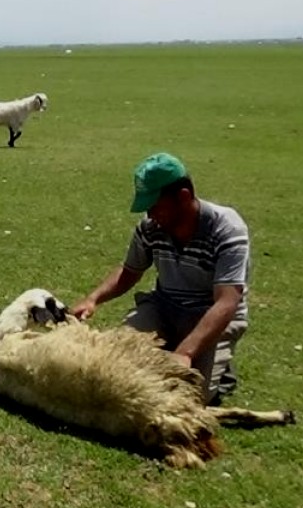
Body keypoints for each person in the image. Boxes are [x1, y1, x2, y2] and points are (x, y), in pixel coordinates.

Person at [70, 153, 251, 406]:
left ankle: (212, 361)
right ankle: (176, 347)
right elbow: (129, 271)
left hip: (208, 315)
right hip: (164, 308)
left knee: (189, 396)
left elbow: (226, 302)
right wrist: (93, 299)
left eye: (155, 205)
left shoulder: (227, 229)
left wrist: (186, 353)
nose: (150, 213)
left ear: (184, 197)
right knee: (113, 360)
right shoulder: (150, 227)